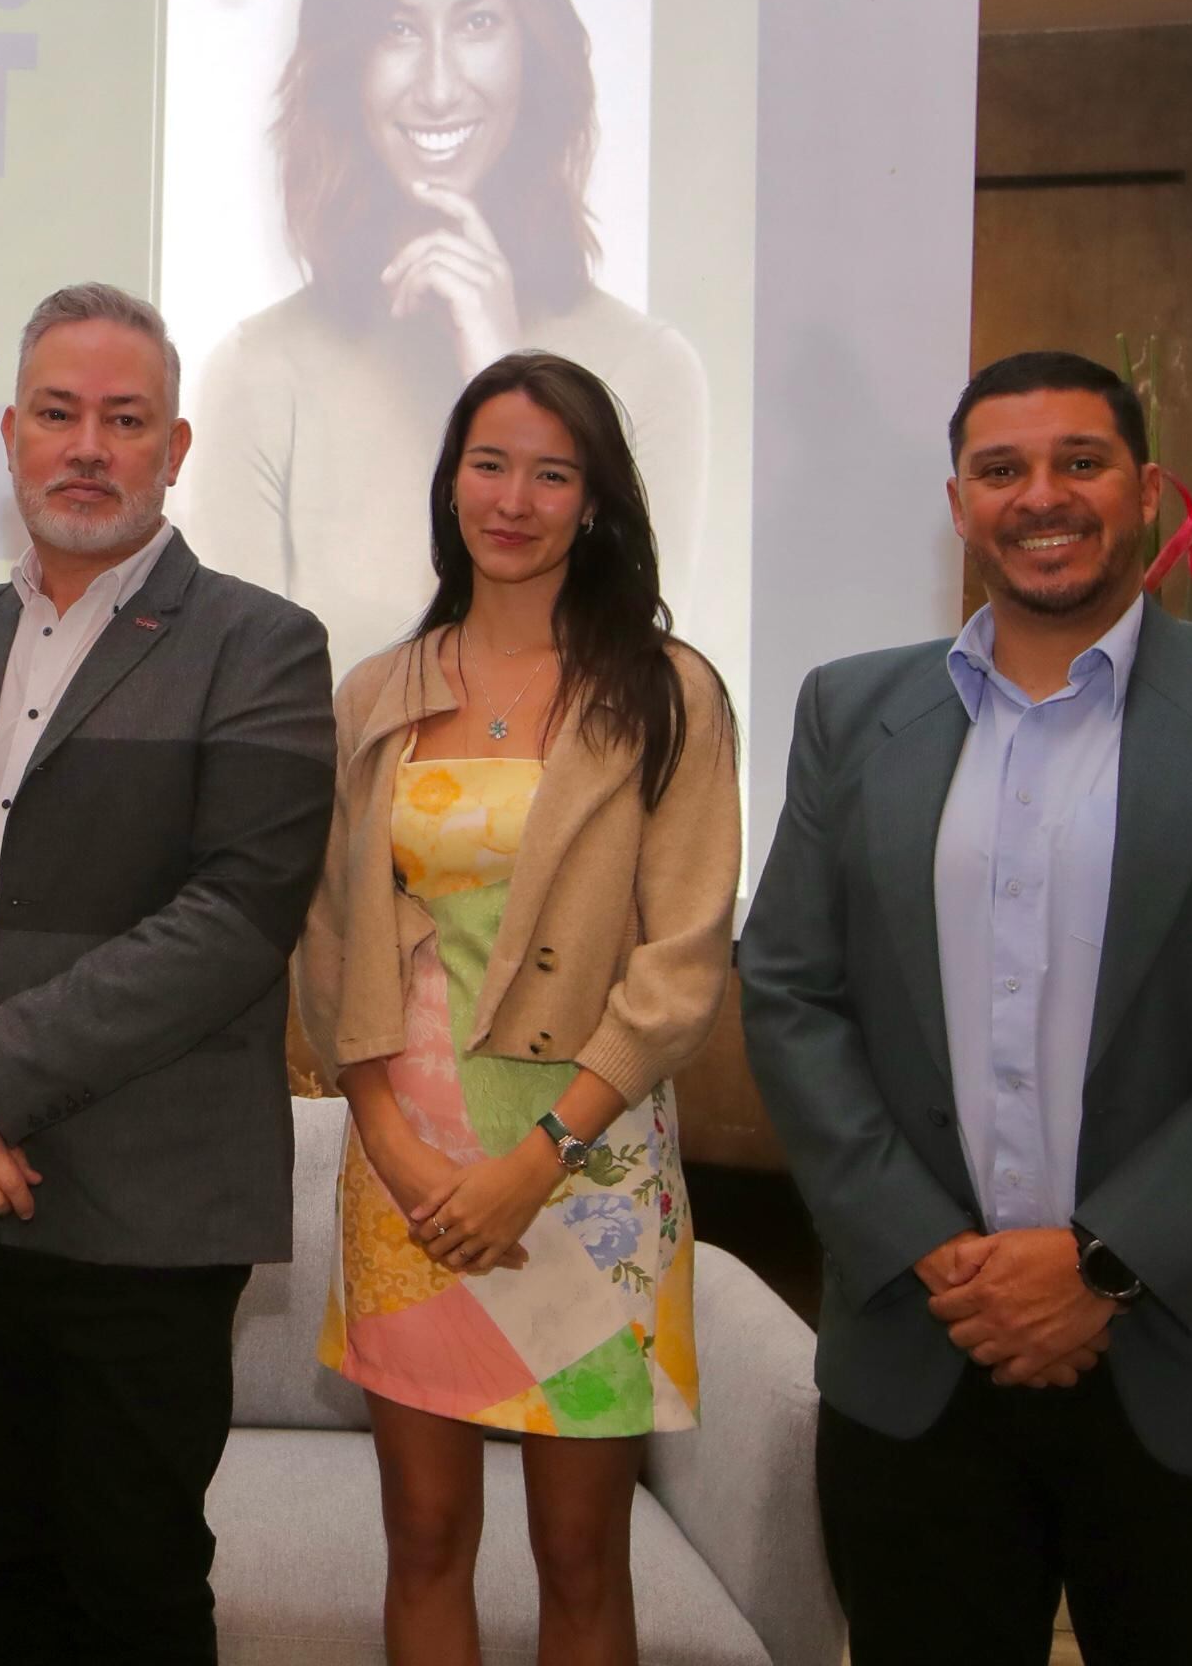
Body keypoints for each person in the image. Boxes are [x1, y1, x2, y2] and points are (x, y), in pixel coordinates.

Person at [740, 349, 1192, 1666]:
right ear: (959, 505)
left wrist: (1104, 1264)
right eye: (1002, 469)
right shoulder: (853, 710)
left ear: (1145, 492)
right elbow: (790, 991)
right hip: (922, 1360)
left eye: (1081, 462)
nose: (1041, 495)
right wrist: (933, 1251)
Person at [0, 281, 336, 1665]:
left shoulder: (262, 646)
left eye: (126, 419)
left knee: (136, 1593)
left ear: (176, 448)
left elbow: (233, 920)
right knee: (2, 1574)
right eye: (59, 414)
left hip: (145, 1217)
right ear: (11, 435)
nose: (89, 447)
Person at [291, 352, 738, 1666]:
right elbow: (329, 942)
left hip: (588, 1171)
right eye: (490, 464)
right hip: (408, 1171)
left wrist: (536, 1161)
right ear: (451, 484)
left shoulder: (666, 692)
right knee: (425, 1538)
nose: (515, 499)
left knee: (582, 1555)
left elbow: (681, 965)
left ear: (594, 502)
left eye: (552, 474)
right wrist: (391, 1137)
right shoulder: (376, 693)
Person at [180, 0, 707, 670]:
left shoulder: (651, 374)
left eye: (477, 22)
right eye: (395, 28)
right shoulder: (260, 375)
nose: (436, 87)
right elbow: (239, 715)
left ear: (533, 41)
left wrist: (508, 379)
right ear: (346, 58)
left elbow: (631, 696)